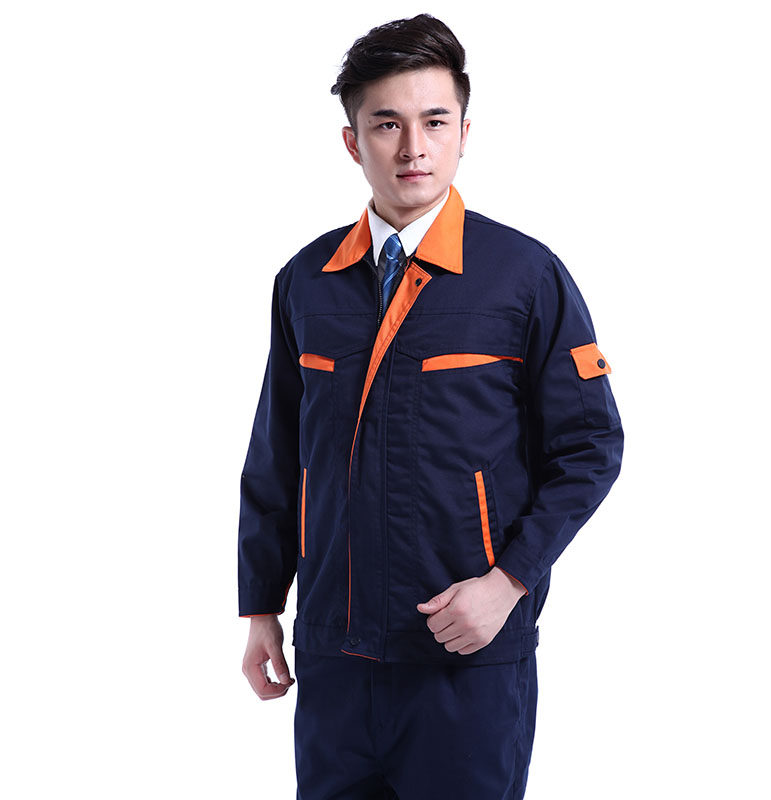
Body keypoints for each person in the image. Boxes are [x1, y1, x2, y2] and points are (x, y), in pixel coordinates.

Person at [238, 13, 624, 799]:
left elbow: (590, 448)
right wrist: (261, 608)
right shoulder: (305, 281)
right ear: (353, 142)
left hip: (464, 657)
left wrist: (507, 583)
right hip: (335, 655)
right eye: (387, 124)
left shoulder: (523, 275)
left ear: (464, 133)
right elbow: (278, 455)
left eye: (435, 122)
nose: (413, 147)